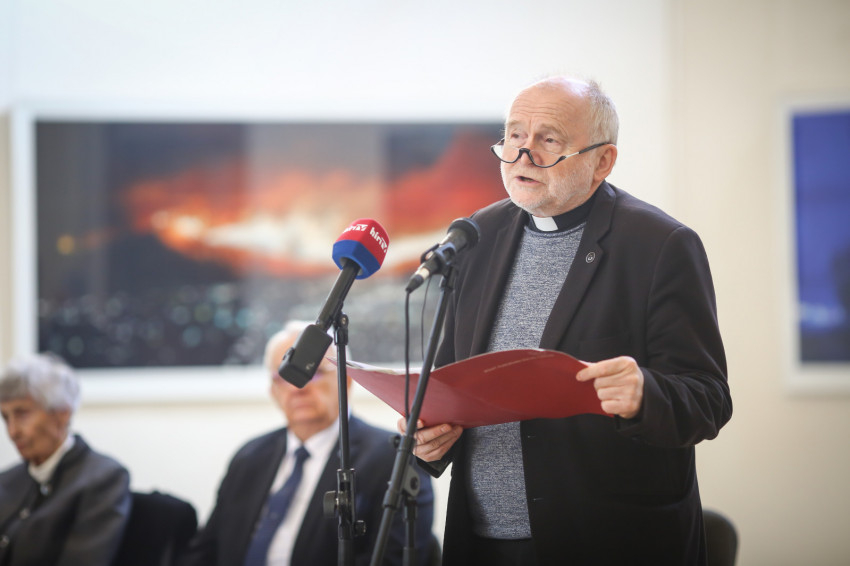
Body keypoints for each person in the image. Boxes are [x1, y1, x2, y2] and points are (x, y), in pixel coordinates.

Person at [401, 76, 732, 565]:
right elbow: (454, 382)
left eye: (549, 139)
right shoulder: (477, 235)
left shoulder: (660, 245)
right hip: (483, 541)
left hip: (608, 541)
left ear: (602, 161)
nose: (523, 155)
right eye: (515, 136)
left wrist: (644, 393)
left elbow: (709, 398)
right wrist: (430, 442)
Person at [181, 321, 435, 566]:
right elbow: (205, 552)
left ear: (346, 381)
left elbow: (392, 559)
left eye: (312, 372)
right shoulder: (249, 457)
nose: (297, 387)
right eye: (284, 375)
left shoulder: (393, 459)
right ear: (273, 391)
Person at [0, 353, 131, 566]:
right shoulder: (6, 481)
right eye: (5, 417)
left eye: (22, 414)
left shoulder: (103, 479)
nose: (12, 432)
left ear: (62, 414)